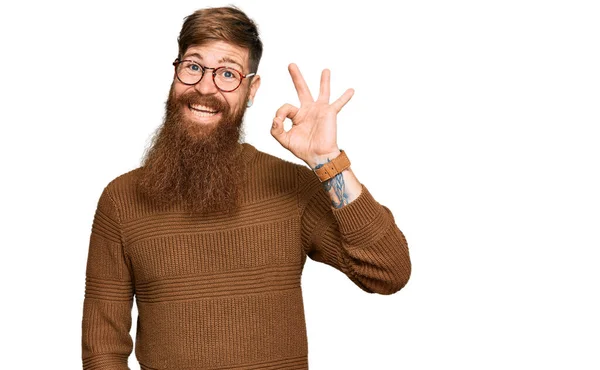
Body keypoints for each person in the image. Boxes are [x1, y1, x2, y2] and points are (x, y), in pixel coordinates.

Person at [81, 6, 411, 370]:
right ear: (174, 73)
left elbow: (389, 272)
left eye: (227, 73)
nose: (205, 87)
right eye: (193, 66)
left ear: (252, 89)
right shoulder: (121, 199)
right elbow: (103, 349)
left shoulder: (292, 189)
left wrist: (328, 161)